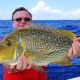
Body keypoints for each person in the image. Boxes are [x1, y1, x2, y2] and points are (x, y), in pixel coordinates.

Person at [3, 7, 47, 80]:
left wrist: (68, 53)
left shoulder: (43, 39)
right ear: (12, 23)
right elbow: (6, 64)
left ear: (31, 22)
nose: (23, 21)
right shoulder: (5, 42)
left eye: (27, 19)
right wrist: (11, 68)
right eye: (18, 19)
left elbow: (57, 54)